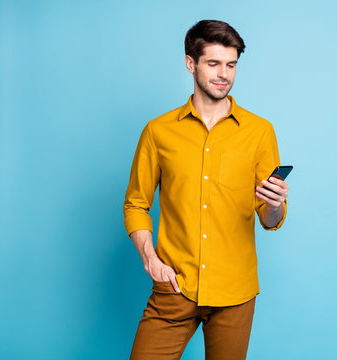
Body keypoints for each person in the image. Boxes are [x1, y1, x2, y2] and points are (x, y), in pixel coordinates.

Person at [123, 19, 289, 360]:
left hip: (235, 293)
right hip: (175, 288)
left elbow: (269, 219)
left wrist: (275, 204)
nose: (223, 74)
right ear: (191, 63)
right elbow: (136, 204)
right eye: (213, 63)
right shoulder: (158, 132)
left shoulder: (259, 132)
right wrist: (150, 259)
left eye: (231, 65)